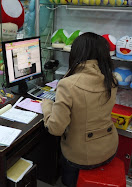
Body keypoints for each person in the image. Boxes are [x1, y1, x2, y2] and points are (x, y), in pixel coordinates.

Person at [41, 32, 119, 187]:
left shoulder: (68, 84)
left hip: (80, 156)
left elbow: (55, 128)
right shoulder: (112, 79)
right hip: (109, 148)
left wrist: (47, 106)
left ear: (77, 53)